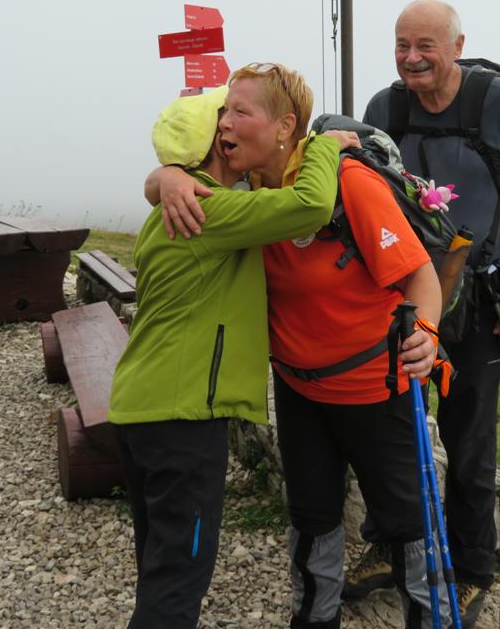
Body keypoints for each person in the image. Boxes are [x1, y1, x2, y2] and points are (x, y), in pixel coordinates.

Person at [151, 62, 450, 629]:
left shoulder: (347, 183)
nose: (224, 124)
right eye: (223, 111)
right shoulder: (243, 188)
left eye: (241, 112)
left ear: (286, 125)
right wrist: (165, 176)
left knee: (408, 521)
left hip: (374, 387)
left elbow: (421, 277)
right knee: (310, 519)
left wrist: (428, 334)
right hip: (298, 388)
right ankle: (314, 620)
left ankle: (429, 618)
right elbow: (173, 187)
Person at [111, 84, 358, 629]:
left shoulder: (174, 204)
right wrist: (322, 145)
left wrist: (163, 177)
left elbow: (161, 182)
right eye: (224, 122)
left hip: (140, 411)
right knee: (178, 583)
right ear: (211, 148)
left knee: (160, 569)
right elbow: (310, 205)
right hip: (183, 419)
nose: (232, 131)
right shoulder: (208, 210)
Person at [348, 0, 500, 628]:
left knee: (469, 440)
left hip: (481, 300)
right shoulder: (385, 110)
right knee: (393, 432)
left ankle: (470, 571)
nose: (411, 58)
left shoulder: (496, 104)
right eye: (402, 44)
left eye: (425, 45)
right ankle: (392, 545)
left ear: (457, 44)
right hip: (403, 296)